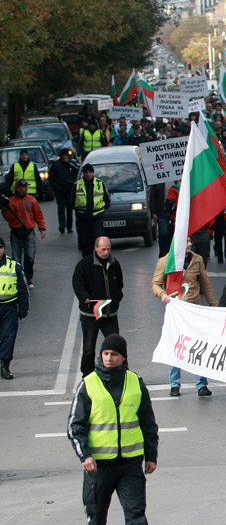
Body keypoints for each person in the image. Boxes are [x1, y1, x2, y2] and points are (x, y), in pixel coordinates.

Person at [66, 334, 161, 525]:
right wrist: (84, 455)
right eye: (106, 353)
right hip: (99, 466)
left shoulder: (135, 382)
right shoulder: (88, 384)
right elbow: (75, 427)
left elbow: (148, 422)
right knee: (96, 515)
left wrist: (151, 455)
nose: (109, 358)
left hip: (130, 464)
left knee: (136, 514)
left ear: (123, 358)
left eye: (114, 354)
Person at [151, 237, 215, 397]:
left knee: (199, 345)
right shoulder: (165, 261)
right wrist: (163, 295)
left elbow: (205, 283)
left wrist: (215, 305)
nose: (190, 244)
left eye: (190, 241)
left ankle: (202, 384)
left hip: (194, 308)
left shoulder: (197, 260)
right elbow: (155, 284)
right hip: (176, 309)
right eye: (185, 241)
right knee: (175, 345)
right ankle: (174, 384)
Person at [72, 237, 124, 377]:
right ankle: (87, 376)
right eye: (103, 249)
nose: (106, 252)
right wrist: (85, 299)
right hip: (91, 314)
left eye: (108, 249)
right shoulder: (84, 264)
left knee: (115, 346)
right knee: (89, 348)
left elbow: (119, 284)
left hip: (110, 314)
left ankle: (117, 373)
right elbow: (78, 284)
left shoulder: (114, 263)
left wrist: (117, 299)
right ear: (96, 248)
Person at [4, 179, 46, 287]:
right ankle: (19, 279)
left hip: (29, 232)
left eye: (26, 186)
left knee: (30, 257)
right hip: (16, 232)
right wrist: (5, 210)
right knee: (16, 258)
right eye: (22, 187)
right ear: (17, 188)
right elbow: (8, 218)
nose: (25, 188)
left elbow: (38, 215)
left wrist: (42, 228)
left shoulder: (31, 200)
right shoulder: (11, 201)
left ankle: (28, 278)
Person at [0, 237, 28, 380]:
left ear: (4, 248)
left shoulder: (13, 265)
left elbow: (23, 286)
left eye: (0, 247)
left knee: (9, 337)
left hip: (9, 307)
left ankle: (4, 365)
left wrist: (24, 306)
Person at [75, 163, 110, 258]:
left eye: (90, 172)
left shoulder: (100, 184)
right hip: (83, 218)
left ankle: (98, 259)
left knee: (97, 240)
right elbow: (72, 201)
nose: (88, 174)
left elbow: (107, 200)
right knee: (85, 242)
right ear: (83, 174)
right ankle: (87, 262)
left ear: (93, 173)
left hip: (96, 217)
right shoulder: (77, 185)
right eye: (86, 172)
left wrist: (100, 210)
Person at [51, 147, 77, 236]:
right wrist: (55, 187)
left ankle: (69, 227)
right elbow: (52, 177)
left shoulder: (71, 164)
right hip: (60, 190)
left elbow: (77, 172)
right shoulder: (56, 165)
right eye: (64, 155)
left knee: (69, 209)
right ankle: (62, 225)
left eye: (67, 156)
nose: (65, 157)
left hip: (69, 190)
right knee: (61, 208)